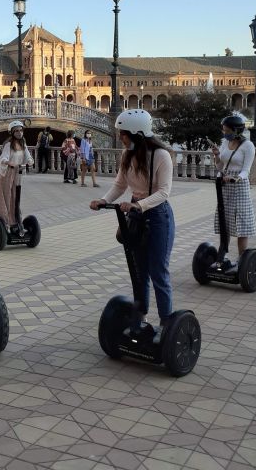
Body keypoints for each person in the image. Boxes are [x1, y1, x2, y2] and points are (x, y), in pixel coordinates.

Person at [90, 109, 175, 339]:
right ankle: (141, 319)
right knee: (139, 272)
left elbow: (165, 192)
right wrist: (104, 200)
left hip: (158, 217)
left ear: (137, 133)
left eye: (123, 133)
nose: (120, 137)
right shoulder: (127, 155)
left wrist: (139, 204)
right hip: (136, 215)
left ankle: (167, 324)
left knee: (158, 271)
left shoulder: (160, 155)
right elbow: (119, 185)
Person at [210, 114, 256, 258]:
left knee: (241, 222)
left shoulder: (248, 146)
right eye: (224, 130)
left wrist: (236, 179)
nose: (225, 133)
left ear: (236, 130)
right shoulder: (225, 143)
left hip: (239, 186)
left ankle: (242, 259)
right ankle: (222, 254)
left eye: (227, 131)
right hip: (224, 185)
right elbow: (220, 166)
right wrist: (217, 155)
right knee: (225, 221)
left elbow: (246, 170)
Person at [0, 120, 34, 232]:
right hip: (7, 174)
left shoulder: (23, 144)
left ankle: (16, 221)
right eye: (16, 131)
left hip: (18, 173)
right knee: (7, 197)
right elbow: (3, 158)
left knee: (15, 198)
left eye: (21, 130)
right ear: (12, 133)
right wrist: (9, 163)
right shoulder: (9, 144)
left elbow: (28, 156)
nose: (19, 133)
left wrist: (30, 161)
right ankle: (6, 223)